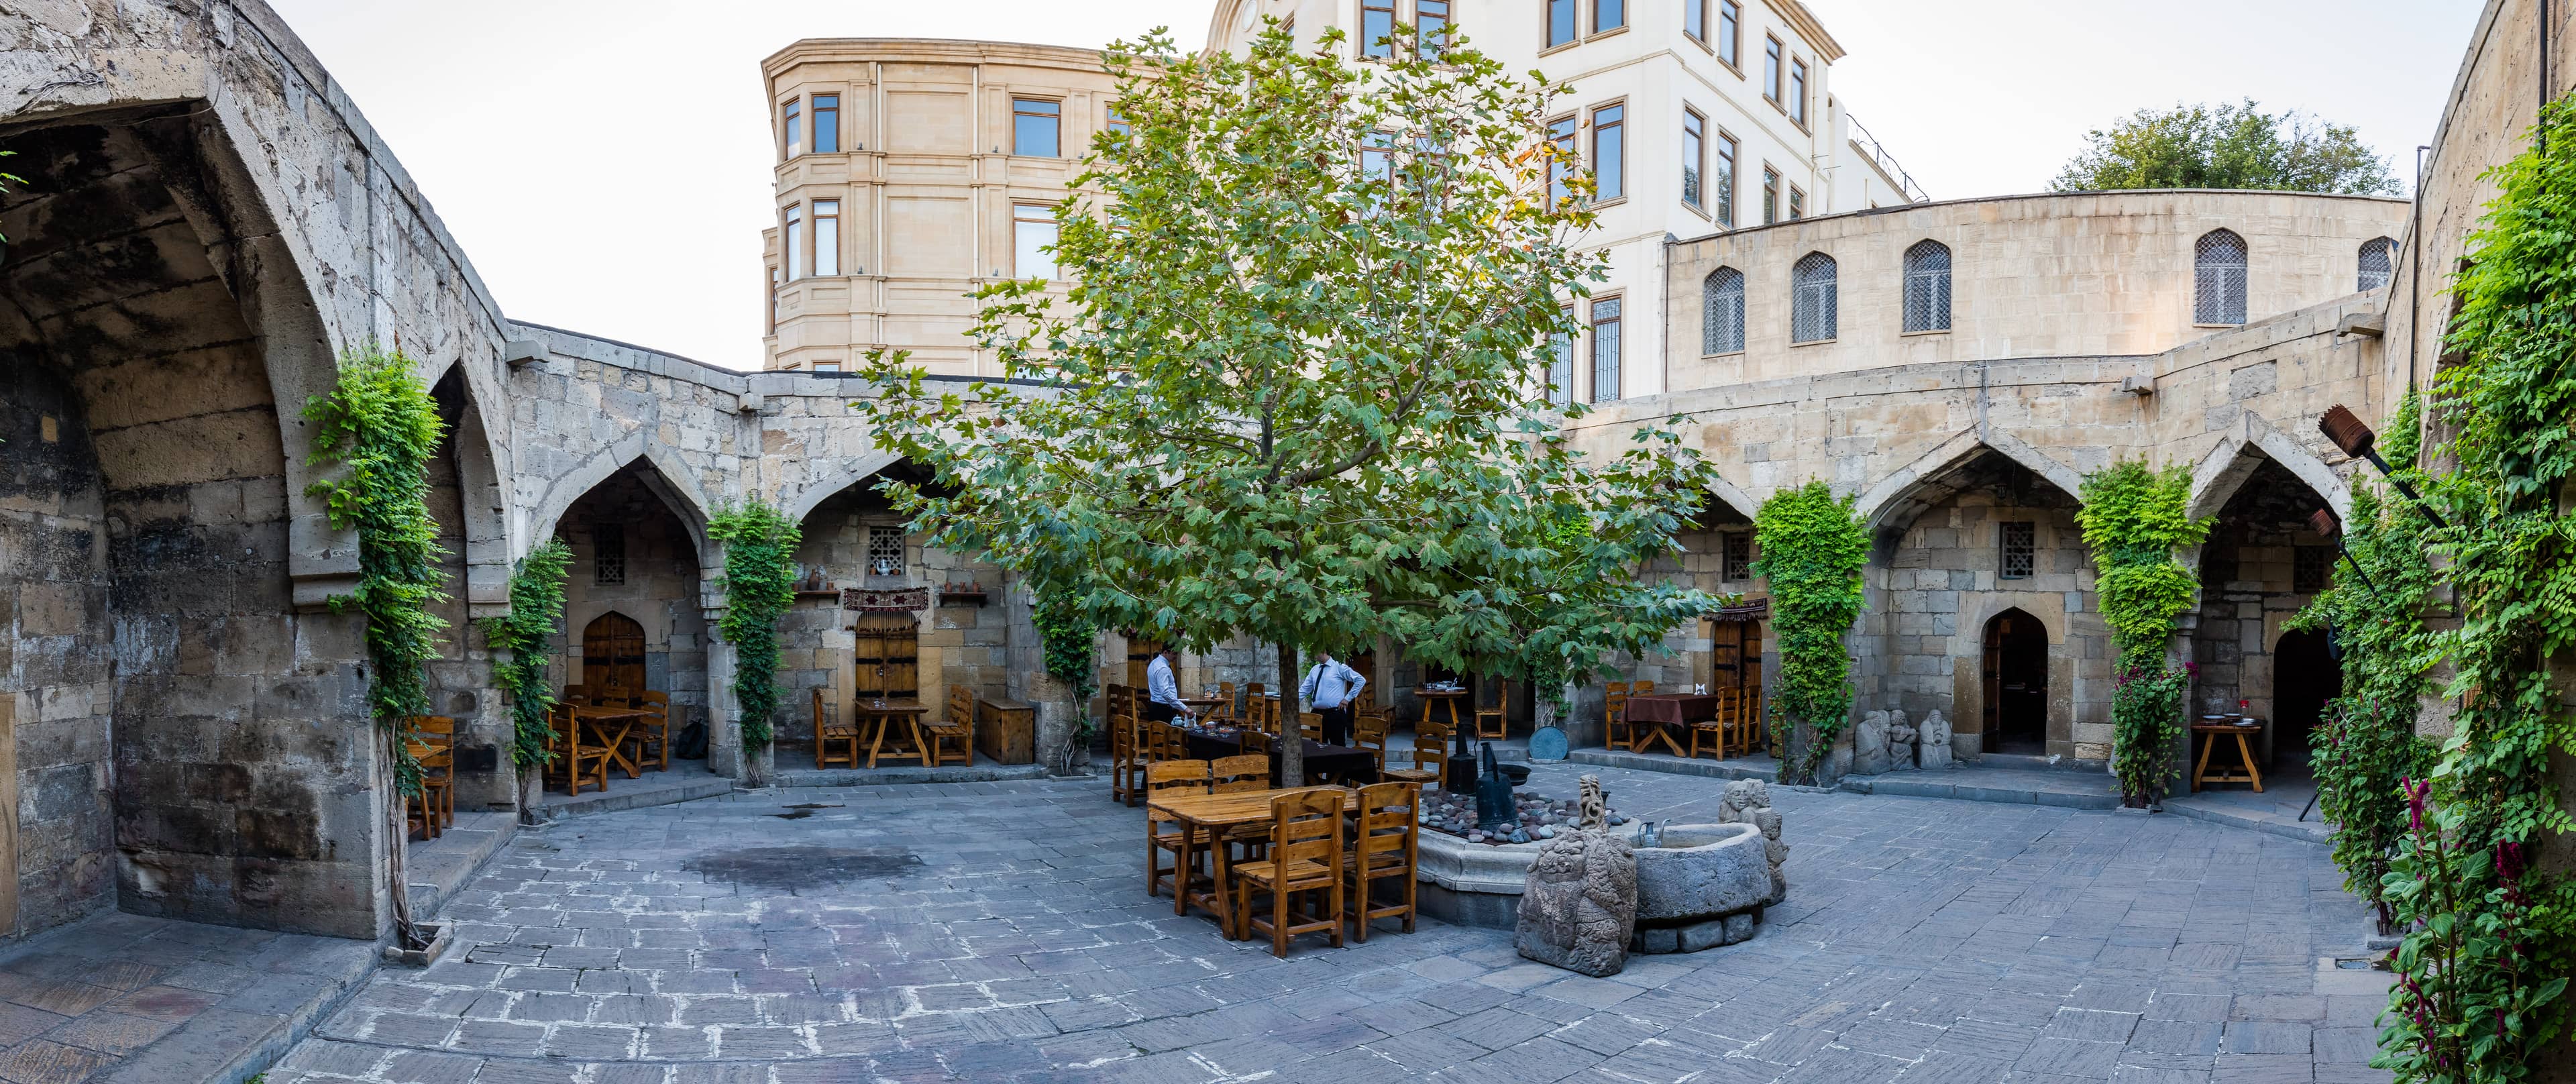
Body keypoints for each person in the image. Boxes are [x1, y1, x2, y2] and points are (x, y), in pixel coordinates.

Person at [1298, 651, 1368, 746]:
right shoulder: (1315, 669)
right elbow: (1304, 689)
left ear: (1323, 651)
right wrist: (1292, 704)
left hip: (1335, 714)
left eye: (1316, 650)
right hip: (1317, 714)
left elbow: (1360, 680)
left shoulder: (1338, 666)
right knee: (1316, 747)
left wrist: (1347, 698)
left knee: (1337, 747)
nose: (1313, 653)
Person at [1143, 646, 1191, 725]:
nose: (1176, 657)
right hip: (1163, 709)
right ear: (1165, 652)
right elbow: (1165, 693)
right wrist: (1185, 708)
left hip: (1156, 706)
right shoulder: (1163, 668)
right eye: (1174, 654)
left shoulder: (1154, 663)